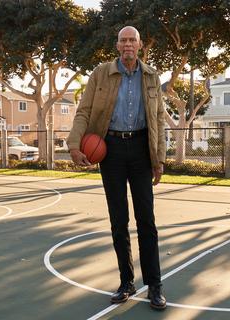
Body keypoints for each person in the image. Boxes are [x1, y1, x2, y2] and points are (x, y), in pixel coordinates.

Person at [66, 26, 166, 310]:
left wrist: (158, 158)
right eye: (123, 40)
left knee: (146, 220)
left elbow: (158, 118)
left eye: (132, 39)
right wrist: (75, 145)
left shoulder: (151, 76)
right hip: (109, 150)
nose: (128, 44)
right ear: (117, 45)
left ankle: (154, 286)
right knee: (118, 220)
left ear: (140, 44)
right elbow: (84, 111)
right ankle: (126, 282)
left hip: (141, 150)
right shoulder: (100, 73)